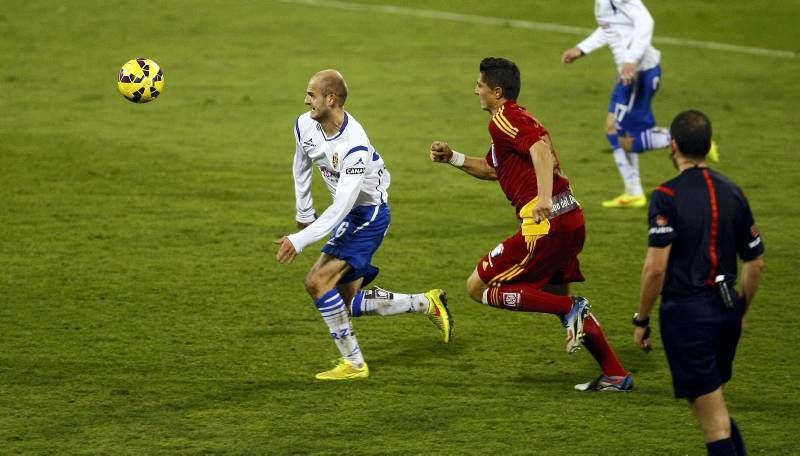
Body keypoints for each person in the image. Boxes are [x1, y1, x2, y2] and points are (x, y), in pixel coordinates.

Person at [430, 57, 631, 391]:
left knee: (477, 287)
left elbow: (540, 151)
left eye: (479, 85)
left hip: (545, 225)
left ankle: (572, 309)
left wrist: (543, 198)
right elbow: (494, 169)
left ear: (497, 91)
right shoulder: (514, 121)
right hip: (571, 221)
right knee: (552, 296)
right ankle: (615, 373)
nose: (474, 90)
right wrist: (453, 157)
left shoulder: (504, 119)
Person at [275, 69, 453, 381]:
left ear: (331, 99)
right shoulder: (305, 125)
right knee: (343, 302)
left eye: (311, 95)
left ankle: (355, 364)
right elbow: (301, 163)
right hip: (348, 213)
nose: (305, 101)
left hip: (368, 215)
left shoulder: (354, 145)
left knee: (317, 282)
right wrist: (304, 210)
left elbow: (342, 206)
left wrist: (300, 239)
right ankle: (425, 303)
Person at [632, 110, 763, 455]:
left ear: (672, 146)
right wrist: (741, 310)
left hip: (688, 317)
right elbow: (756, 262)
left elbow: (655, 270)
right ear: (707, 146)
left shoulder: (667, 195)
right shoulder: (734, 191)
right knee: (714, 405)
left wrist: (641, 319)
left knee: (714, 422)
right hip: (726, 310)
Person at [561, 0, 719, 209]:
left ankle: (691, 139)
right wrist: (582, 49)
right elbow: (610, 27)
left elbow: (646, 21)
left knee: (623, 136)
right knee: (615, 130)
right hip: (632, 74)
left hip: (638, 74)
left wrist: (632, 59)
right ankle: (633, 191)